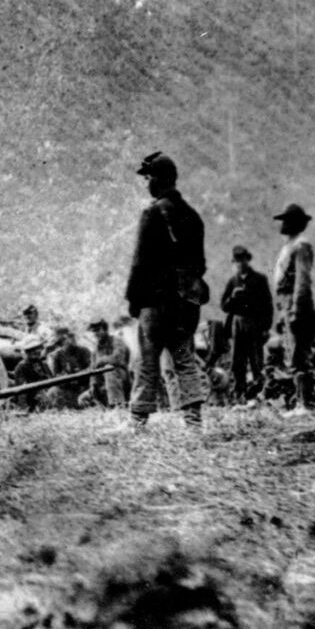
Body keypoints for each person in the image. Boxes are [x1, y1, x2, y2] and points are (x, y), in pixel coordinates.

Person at [124, 151, 208, 430]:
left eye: (147, 177)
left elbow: (141, 262)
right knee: (184, 359)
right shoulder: (193, 217)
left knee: (147, 361)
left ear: (158, 179)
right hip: (186, 302)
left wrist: (134, 300)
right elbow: (200, 265)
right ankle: (194, 423)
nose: (146, 182)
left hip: (156, 302)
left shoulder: (152, 212)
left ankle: (137, 421)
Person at [271, 203, 315, 409]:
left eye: (287, 221)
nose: (283, 224)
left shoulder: (301, 246)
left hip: (293, 303)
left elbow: (302, 280)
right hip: (285, 303)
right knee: (292, 354)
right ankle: (301, 401)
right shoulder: (289, 246)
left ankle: (304, 404)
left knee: (299, 356)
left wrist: (296, 310)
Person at [220, 245, 274, 402]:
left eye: (242, 260)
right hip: (238, 324)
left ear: (247, 260)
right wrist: (233, 297)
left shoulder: (259, 279)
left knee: (256, 359)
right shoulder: (233, 281)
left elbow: (267, 305)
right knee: (238, 360)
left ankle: (259, 394)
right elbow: (224, 306)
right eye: (236, 261)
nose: (239, 264)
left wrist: (266, 327)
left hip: (255, 323)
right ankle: (239, 394)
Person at [82, 318, 132, 408]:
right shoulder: (95, 349)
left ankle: (118, 406)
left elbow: (118, 359)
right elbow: (93, 369)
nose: (96, 334)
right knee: (82, 399)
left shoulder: (116, 341)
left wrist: (101, 360)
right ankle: (103, 406)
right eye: (93, 331)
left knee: (109, 369)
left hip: (121, 378)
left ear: (105, 329)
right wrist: (93, 385)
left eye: (98, 330)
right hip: (103, 382)